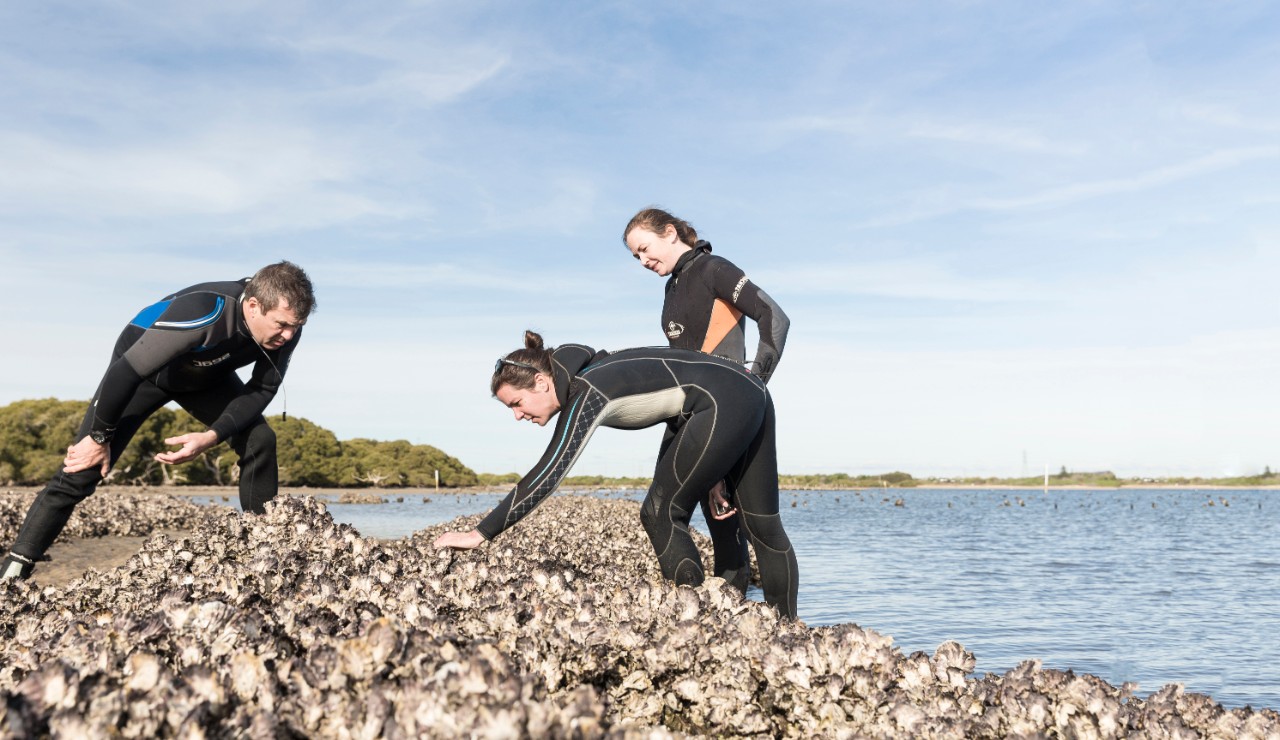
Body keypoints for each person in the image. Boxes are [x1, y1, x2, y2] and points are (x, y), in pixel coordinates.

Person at [433, 331, 799, 619]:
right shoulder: (600, 368)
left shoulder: (587, 389)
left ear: (542, 383)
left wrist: (479, 533)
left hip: (721, 400)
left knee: (659, 512)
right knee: (763, 527)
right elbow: (683, 408)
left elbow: (548, 473)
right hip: (751, 390)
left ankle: (697, 620)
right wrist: (716, 471)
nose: (517, 415)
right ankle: (785, 628)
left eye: (516, 403)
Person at [1, 261, 316, 581]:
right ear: (253, 306)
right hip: (143, 375)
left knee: (260, 440)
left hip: (205, 378)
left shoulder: (287, 325)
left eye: (296, 326)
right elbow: (125, 371)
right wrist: (98, 438)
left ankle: (264, 555)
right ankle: (14, 568)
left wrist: (212, 435)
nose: (288, 334)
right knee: (84, 468)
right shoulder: (207, 310)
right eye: (281, 324)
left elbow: (262, 388)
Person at [622, 207, 790, 594]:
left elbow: (774, 317)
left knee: (757, 526)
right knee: (721, 522)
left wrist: (754, 382)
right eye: (636, 257)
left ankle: (782, 628)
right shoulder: (672, 287)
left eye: (645, 249)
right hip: (693, 415)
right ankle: (725, 621)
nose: (644, 261)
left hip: (732, 408)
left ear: (669, 232)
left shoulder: (713, 268)